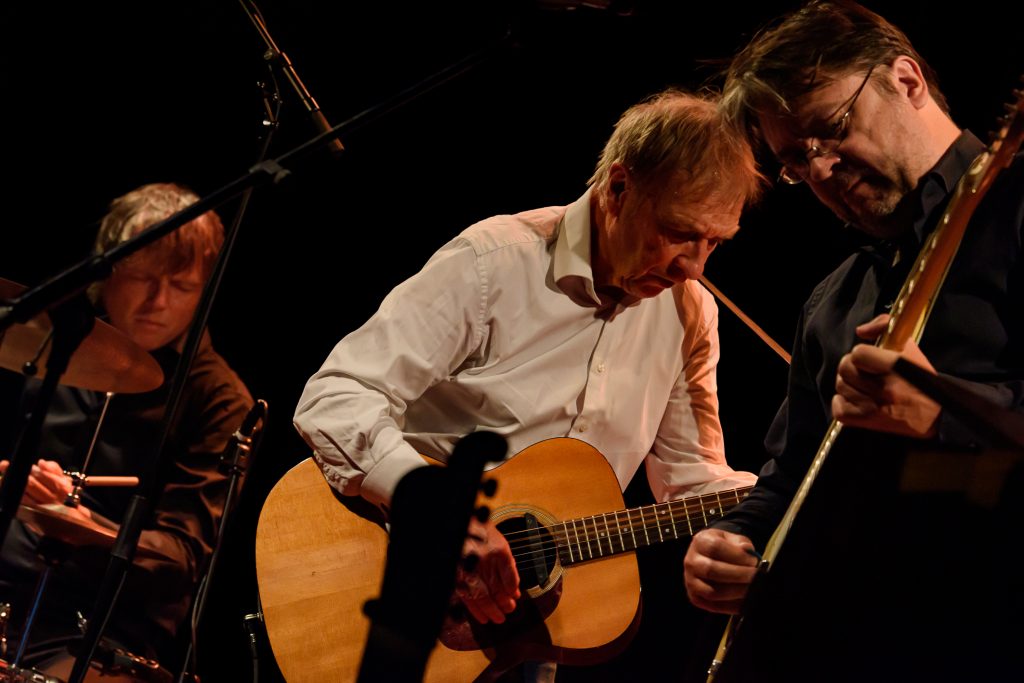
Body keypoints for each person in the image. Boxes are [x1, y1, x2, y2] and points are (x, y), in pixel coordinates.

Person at [293, 89, 764, 681]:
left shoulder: (691, 314)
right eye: (677, 233)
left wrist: (778, 500)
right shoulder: (493, 264)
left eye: (714, 242)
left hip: (533, 631)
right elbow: (336, 396)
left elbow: (692, 478)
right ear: (619, 188)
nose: (693, 267)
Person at [682, 2, 1024, 681]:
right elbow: (791, 475)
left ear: (907, 80)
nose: (821, 171)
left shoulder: (1015, 211)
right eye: (795, 161)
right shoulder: (832, 303)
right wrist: (733, 539)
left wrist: (945, 416)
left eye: (832, 128)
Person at [0, 182, 254, 678]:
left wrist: (75, 522)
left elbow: (181, 559)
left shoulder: (220, 401)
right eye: (143, 277)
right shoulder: (50, 341)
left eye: (182, 287)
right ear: (107, 269)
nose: (159, 301)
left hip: (106, 631)